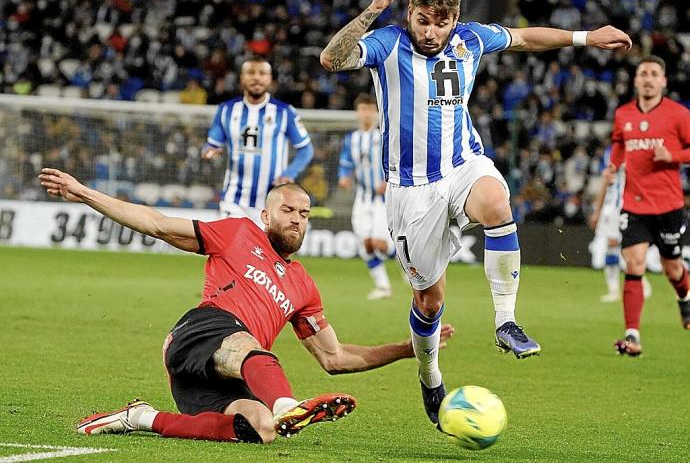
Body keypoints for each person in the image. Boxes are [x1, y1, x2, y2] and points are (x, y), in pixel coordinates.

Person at [320, 0, 631, 425]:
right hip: (411, 190)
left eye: (441, 22)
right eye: (423, 19)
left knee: (498, 203)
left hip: (463, 165)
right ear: (410, 13)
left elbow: (526, 37)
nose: (431, 31)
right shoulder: (388, 42)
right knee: (428, 300)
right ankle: (429, 374)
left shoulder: (472, 39)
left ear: (456, 19)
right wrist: (372, 10)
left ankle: (506, 321)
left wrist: (587, 37)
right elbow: (331, 59)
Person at [38, 168, 454, 443]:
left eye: (304, 213)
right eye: (287, 210)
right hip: (201, 333)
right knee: (247, 348)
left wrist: (406, 349)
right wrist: (83, 192)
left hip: (214, 377)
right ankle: (288, 405)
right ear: (265, 215)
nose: (296, 219)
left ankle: (141, 418)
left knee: (259, 427)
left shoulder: (304, 285)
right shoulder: (237, 234)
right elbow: (157, 223)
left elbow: (336, 357)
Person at [607, 56, 690, 356]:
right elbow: (619, 142)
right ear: (636, 80)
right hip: (635, 204)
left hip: (668, 205)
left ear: (664, 81)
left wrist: (673, 157)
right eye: (643, 73)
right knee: (635, 264)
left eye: (655, 73)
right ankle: (632, 335)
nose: (648, 79)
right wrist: (614, 165)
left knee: (673, 270)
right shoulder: (623, 114)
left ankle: (685, 299)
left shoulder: (678, 115)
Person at [202, 57, 314, 227]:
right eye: (251, 72)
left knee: (266, 254)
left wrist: (289, 174)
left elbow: (306, 150)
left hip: (271, 204)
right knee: (228, 253)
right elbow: (211, 144)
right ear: (241, 78)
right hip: (233, 201)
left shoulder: (284, 112)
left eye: (262, 73)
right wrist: (209, 151)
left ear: (270, 79)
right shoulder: (226, 110)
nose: (256, 77)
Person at [338, 93, 397, 300]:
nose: (367, 114)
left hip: (383, 199)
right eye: (363, 109)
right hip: (361, 199)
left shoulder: (385, 137)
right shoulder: (351, 139)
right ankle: (383, 287)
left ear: (377, 113)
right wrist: (344, 177)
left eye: (370, 110)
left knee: (379, 243)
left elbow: (397, 161)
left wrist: (388, 181)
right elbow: (345, 163)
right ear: (357, 113)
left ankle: (406, 264)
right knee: (366, 245)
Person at [588, 149, 654, 303]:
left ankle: (641, 283)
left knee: (629, 249)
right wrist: (598, 209)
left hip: (627, 206)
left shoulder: (636, 151)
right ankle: (614, 290)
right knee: (612, 246)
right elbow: (606, 181)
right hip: (612, 207)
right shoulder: (611, 152)